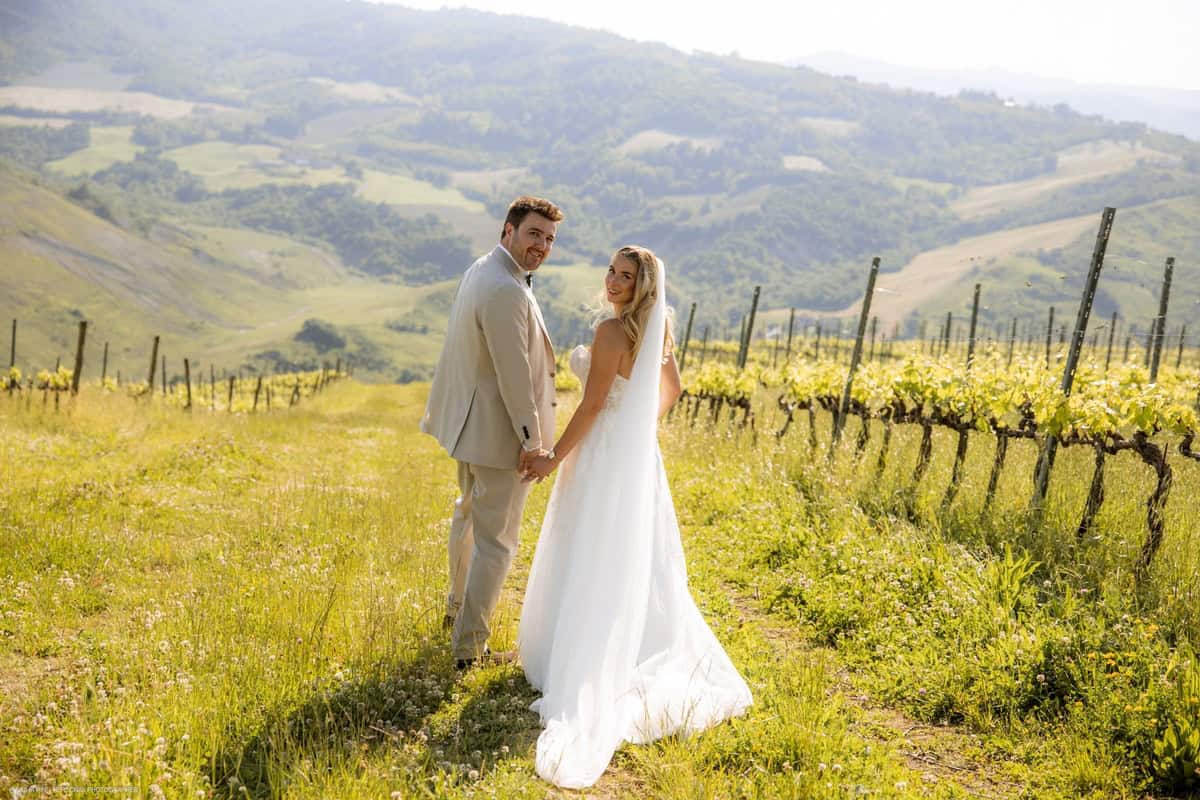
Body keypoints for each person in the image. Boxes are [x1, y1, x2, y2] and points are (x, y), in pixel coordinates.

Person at [517, 245, 753, 789]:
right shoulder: (654, 331)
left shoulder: (609, 332)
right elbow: (672, 390)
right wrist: (636, 428)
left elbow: (593, 404)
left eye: (626, 276)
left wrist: (554, 457)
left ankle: (580, 652)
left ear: (643, 285)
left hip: (602, 455)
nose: (613, 281)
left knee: (588, 545)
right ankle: (630, 642)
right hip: (636, 457)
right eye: (612, 271)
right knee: (626, 550)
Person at [420, 195, 562, 669]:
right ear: (508, 230)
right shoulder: (505, 288)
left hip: (469, 427)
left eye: (549, 239)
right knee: (496, 542)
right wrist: (532, 441)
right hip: (499, 436)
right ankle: (469, 649)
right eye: (534, 234)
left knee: (467, 518)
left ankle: (456, 610)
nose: (542, 245)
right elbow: (513, 375)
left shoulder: (481, 269)